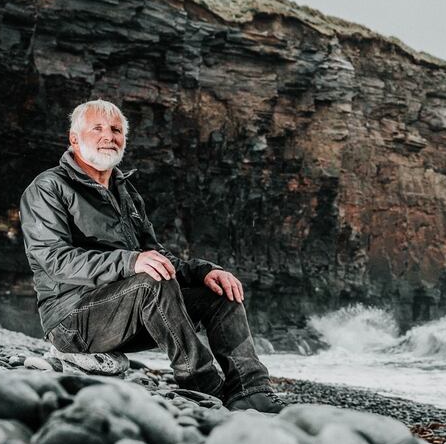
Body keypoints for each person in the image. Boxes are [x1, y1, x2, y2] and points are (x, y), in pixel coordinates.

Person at [19, 99, 283, 413]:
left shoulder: (126, 193)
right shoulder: (48, 188)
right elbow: (54, 259)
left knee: (220, 292)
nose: (109, 136)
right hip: (71, 319)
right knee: (149, 281)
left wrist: (203, 271)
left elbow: (154, 255)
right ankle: (203, 387)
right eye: (98, 128)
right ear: (74, 139)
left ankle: (251, 391)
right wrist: (130, 262)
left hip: (129, 312)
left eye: (116, 130)